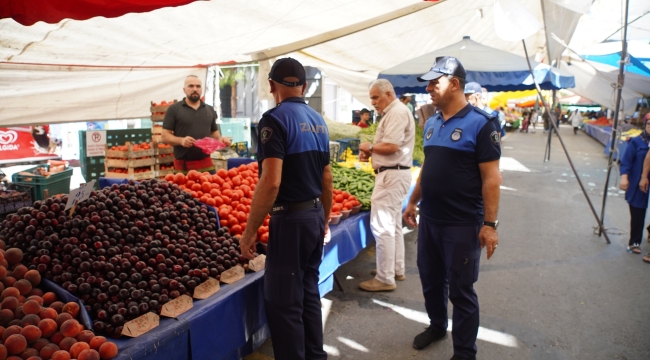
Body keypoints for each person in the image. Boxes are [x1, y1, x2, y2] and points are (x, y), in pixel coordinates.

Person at [403, 56, 501, 360]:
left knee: (461, 291)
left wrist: (490, 225)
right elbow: (428, 167)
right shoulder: (431, 122)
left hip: (462, 224)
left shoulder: (482, 124)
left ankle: (464, 353)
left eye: (435, 82)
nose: (429, 88)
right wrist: (413, 201)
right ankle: (436, 326)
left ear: (454, 83)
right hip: (430, 218)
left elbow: (492, 179)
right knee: (430, 280)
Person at [238, 58, 332, 360]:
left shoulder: (274, 120)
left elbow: (271, 181)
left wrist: (249, 232)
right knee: (307, 293)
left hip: (291, 219)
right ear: (303, 86)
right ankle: (315, 355)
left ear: (271, 85)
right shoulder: (318, 120)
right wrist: (325, 219)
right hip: (315, 215)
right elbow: (327, 179)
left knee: (283, 302)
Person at [357, 79, 415, 292]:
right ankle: (394, 269)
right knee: (393, 226)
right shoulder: (395, 112)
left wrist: (369, 147)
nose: (372, 102)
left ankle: (385, 278)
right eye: (371, 97)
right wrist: (372, 152)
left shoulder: (396, 113)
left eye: (375, 97)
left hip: (392, 176)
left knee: (383, 227)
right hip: (395, 174)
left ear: (389, 94)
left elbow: (391, 146)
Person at [162, 75, 231, 174]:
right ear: (184, 90)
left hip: (206, 165)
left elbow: (215, 135)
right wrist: (181, 141)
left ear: (201, 89)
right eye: (191, 86)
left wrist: (222, 140)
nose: (195, 89)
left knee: (211, 189)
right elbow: (164, 136)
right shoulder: (174, 109)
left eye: (198, 86)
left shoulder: (209, 109)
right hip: (183, 167)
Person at [621, 116, 650, 256]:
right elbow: (626, 161)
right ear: (645, 124)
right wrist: (624, 177)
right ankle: (635, 242)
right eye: (649, 123)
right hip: (638, 184)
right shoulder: (636, 141)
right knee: (638, 213)